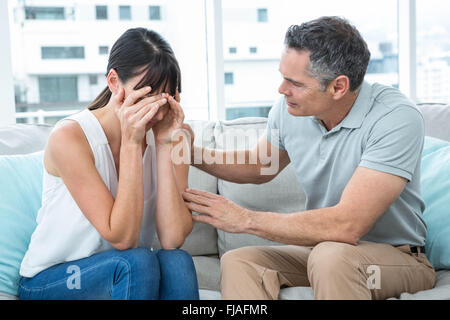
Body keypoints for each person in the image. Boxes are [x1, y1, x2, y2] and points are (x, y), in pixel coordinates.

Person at [182, 16, 436, 300]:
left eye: (295, 83)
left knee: (332, 257)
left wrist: (246, 220)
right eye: (282, 77)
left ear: (338, 87)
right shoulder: (291, 110)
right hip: (322, 252)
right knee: (241, 261)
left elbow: (347, 225)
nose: (281, 90)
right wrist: (190, 153)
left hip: (396, 260)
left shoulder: (395, 118)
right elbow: (260, 164)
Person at [18, 28, 199, 300]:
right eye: (147, 96)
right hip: (54, 280)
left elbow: (172, 239)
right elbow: (123, 238)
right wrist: (131, 142)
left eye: (166, 99)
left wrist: (163, 145)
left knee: (177, 262)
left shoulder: (174, 134)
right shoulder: (70, 136)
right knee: (135, 261)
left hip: (125, 271)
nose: (157, 112)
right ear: (114, 82)